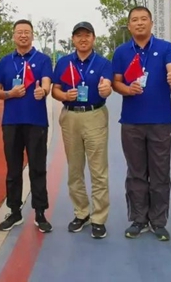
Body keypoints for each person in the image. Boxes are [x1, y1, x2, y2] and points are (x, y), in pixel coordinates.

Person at [111, 6, 171, 241]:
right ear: (129, 25)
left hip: (160, 121)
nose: (139, 23)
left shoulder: (166, 48)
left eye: (143, 19)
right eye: (135, 20)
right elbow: (116, 82)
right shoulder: (121, 52)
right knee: (136, 173)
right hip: (131, 122)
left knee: (160, 173)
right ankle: (138, 219)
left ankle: (158, 221)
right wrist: (126, 89)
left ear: (151, 23)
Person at [51, 21, 113, 239]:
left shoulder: (103, 63)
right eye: (78, 35)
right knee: (74, 169)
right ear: (73, 39)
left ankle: (99, 218)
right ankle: (81, 213)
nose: (83, 39)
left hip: (95, 115)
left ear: (93, 38)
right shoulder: (64, 62)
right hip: (70, 117)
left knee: (98, 170)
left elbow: (107, 86)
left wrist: (106, 89)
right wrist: (64, 95)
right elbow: (55, 90)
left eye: (87, 35)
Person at [0, 19, 54, 233]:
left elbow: (46, 84)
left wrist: (42, 91)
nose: (23, 35)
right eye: (19, 32)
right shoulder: (5, 62)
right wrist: (10, 93)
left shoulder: (43, 59)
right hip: (11, 122)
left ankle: (40, 212)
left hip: (36, 122)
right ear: (13, 36)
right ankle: (14, 211)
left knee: (37, 168)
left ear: (32, 35)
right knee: (13, 169)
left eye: (27, 32)